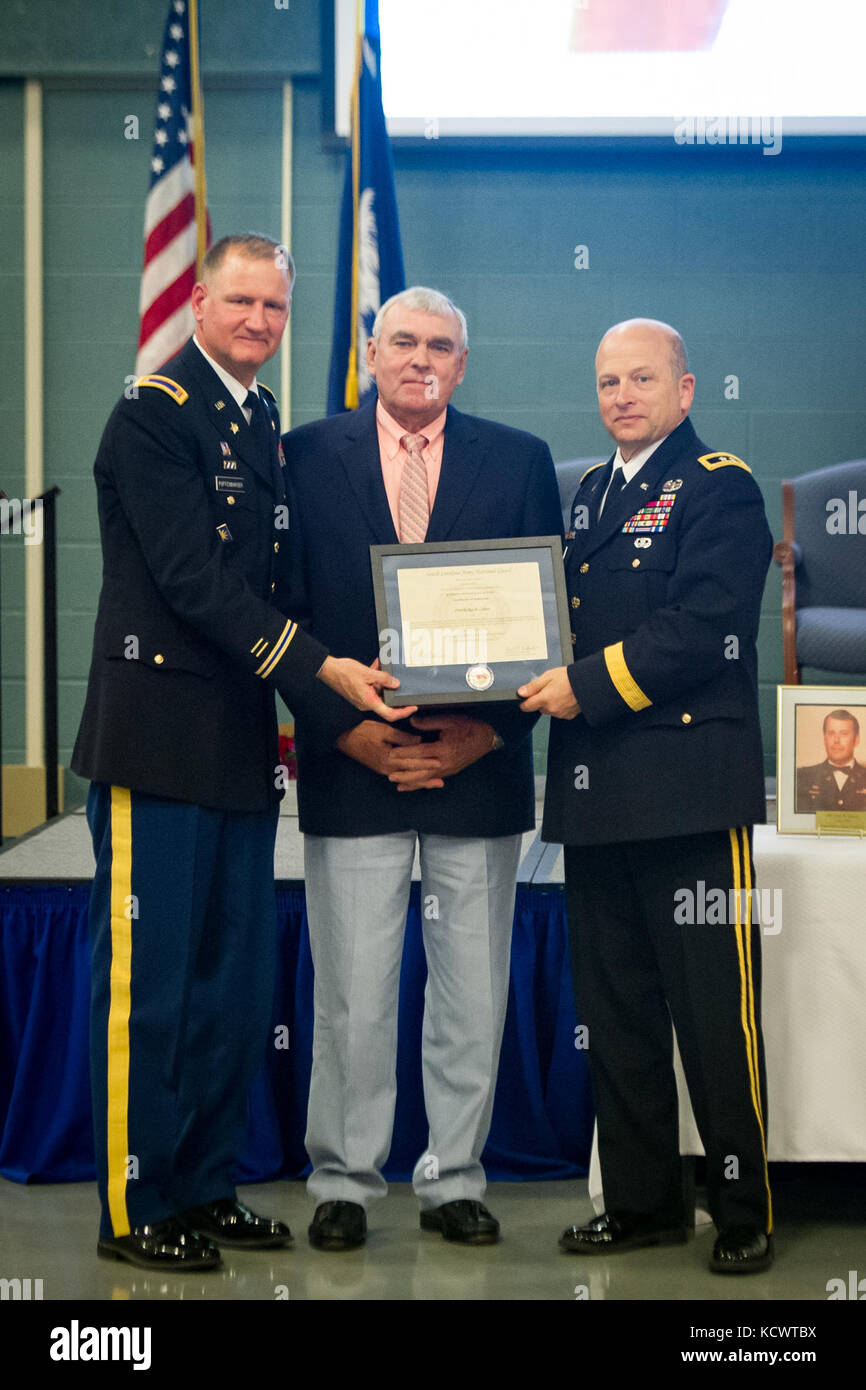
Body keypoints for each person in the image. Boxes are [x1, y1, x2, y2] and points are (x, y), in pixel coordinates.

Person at [71, 233, 410, 1271]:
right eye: (241, 303)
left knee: (228, 984)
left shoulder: (260, 421)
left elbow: (272, 583)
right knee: (152, 985)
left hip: (235, 746)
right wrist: (322, 671)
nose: (260, 321)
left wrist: (351, 667)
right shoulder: (154, 414)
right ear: (198, 306)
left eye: (274, 306)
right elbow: (193, 583)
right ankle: (135, 1208)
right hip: (154, 740)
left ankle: (204, 1183)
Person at [282, 287, 562, 1250]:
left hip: (476, 768)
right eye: (403, 341)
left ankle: (454, 1179)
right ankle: (345, 1181)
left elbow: (548, 626)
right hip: (353, 765)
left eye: (441, 344)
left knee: (472, 990)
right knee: (354, 990)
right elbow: (282, 615)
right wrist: (339, 730)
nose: (421, 358)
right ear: (372, 351)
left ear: (463, 361)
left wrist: (488, 737)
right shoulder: (304, 454)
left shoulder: (519, 460)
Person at [519, 318, 775, 1274]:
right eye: (607, 381)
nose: (621, 395)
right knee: (617, 1013)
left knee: (715, 1018)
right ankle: (641, 1205)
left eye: (641, 378)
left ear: (686, 389)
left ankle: (744, 1208)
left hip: (690, 796)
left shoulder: (722, 487)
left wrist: (581, 686)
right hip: (596, 795)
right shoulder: (589, 496)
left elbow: (703, 628)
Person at [796, 710, 866, 812]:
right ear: (825, 738)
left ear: (856, 740)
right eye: (831, 733)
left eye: (844, 734)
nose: (836, 740)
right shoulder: (802, 777)